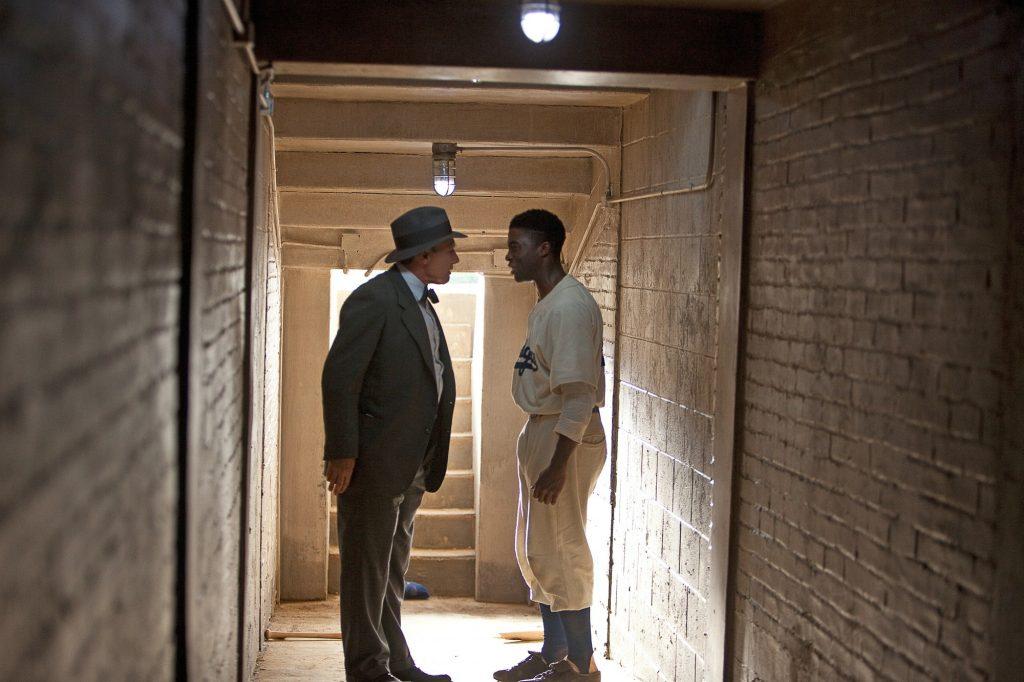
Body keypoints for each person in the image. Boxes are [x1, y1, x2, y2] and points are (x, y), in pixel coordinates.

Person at [322, 206, 464, 682]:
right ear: (424, 256)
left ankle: (395, 662)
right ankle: (367, 670)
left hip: (411, 464)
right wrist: (342, 451)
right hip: (375, 463)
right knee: (366, 573)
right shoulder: (375, 300)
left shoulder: (421, 301)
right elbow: (340, 378)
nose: (456, 258)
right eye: (449, 249)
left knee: (389, 572)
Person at [494, 209, 607, 682]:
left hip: (566, 435)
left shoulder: (569, 307)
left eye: (516, 246)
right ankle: (554, 651)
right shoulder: (548, 301)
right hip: (543, 428)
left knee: (563, 547)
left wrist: (560, 463)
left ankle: (580, 664)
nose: (508, 256)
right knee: (535, 548)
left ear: (544, 249)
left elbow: (579, 395)